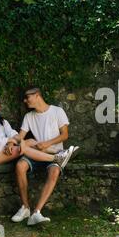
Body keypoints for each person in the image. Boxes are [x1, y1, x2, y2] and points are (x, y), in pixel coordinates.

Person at [10, 88, 79, 226]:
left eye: (27, 97)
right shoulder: (29, 116)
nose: (25, 100)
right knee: (20, 165)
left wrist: (47, 143)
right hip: (36, 154)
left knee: (54, 171)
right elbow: (21, 136)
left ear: (37, 96)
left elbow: (65, 135)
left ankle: (36, 213)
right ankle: (25, 208)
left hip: (55, 152)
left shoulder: (57, 111)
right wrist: (11, 141)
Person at [0, 95, 75, 169]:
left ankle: (60, 153)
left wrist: (14, 142)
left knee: (29, 141)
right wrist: (9, 140)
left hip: (4, 150)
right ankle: (55, 158)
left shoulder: (2, 122)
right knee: (23, 148)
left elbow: (13, 134)